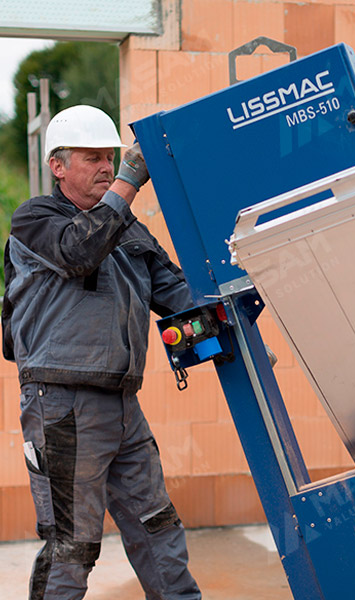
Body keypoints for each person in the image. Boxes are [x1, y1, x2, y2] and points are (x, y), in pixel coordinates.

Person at [1, 105, 202, 600]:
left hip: (123, 406)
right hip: (62, 405)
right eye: (92, 158)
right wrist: (132, 180)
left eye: (111, 157)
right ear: (58, 165)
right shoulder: (36, 220)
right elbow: (78, 252)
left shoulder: (127, 229)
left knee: (158, 527)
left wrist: (236, 321)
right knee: (73, 545)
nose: (107, 167)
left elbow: (180, 295)